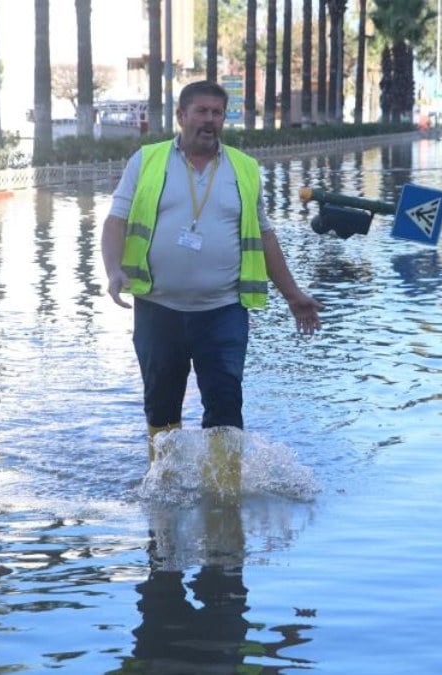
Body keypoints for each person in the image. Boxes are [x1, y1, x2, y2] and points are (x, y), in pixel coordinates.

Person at [100, 80, 322, 476]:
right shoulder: (147, 160)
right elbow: (116, 219)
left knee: (224, 405)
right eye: (200, 111)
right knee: (161, 405)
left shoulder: (244, 168)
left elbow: (264, 234)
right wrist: (114, 269)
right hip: (158, 307)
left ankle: (224, 497)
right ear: (181, 117)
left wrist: (293, 295)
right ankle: (164, 488)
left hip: (223, 311)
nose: (209, 120)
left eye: (217, 112)